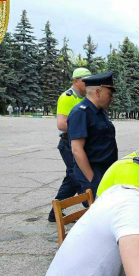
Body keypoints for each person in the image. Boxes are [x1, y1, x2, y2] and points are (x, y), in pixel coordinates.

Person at [48, 67, 92, 222]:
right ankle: (91, 208)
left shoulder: (84, 98)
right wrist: (84, 128)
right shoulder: (67, 97)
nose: (88, 84)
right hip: (68, 143)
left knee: (71, 179)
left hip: (79, 142)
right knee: (78, 177)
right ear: (76, 81)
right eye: (85, 81)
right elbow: (61, 124)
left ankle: (55, 213)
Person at [68, 71, 118, 197]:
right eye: (109, 94)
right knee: (100, 206)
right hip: (94, 172)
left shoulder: (100, 112)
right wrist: (92, 179)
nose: (112, 98)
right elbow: (77, 150)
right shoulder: (81, 113)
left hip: (106, 171)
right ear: (97, 92)